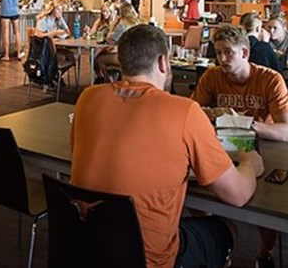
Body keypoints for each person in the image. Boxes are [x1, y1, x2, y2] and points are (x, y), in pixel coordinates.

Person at [71, 24, 263, 268]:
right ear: (163, 62)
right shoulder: (185, 111)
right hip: (149, 259)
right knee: (225, 229)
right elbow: (238, 195)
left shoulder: (87, 98)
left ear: (121, 61)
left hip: (88, 248)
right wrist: (249, 163)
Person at [192, 24, 288, 268]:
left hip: (261, 147)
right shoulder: (212, 76)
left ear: (245, 53)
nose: (222, 59)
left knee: (267, 203)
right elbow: (191, 114)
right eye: (218, 53)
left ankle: (264, 252)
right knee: (196, 191)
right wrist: (212, 114)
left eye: (228, 52)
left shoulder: (270, 79)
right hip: (223, 146)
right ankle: (217, 240)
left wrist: (243, 123)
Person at [94, 3, 141, 78]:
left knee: (99, 59)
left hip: (125, 57)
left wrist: (114, 25)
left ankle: (108, 81)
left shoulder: (123, 25)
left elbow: (110, 40)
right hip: (138, 55)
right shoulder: (138, 23)